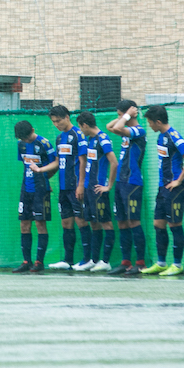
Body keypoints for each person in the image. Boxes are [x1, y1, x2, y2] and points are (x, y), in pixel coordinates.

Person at [143, 105, 184, 276]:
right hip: (162, 188)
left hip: (175, 190)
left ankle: (178, 265)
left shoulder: (174, 136)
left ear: (158, 122)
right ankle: (160, 263)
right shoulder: (161, 137)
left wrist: (178, 180)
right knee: (158, 224)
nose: (149, 126)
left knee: (174, 225)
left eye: (150, 123)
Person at [39, 106, 89, 271]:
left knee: (81, 220)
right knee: (66, 222)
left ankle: (87, 259)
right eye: (53, 122)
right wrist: (42, 172)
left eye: (58, 121)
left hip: (76, 186)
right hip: (63, 187)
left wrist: (81, 184)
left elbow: (83, 161)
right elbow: (57, 162)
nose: (56, 124)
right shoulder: (60, 138)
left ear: (67, 117)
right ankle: (68, 260)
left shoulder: (78, 135)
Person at [106, 100, 148, 275]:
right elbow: (110, 126)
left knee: (133, 221)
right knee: (122, 222)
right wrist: (124, 115)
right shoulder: (125, 131)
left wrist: (127, 115)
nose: (118, 118)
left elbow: (116, 128)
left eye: (120, 114)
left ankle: (140, 262)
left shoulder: (138, 130)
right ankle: (125, 262)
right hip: (121, 181)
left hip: (132, 181)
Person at [76, 112, 119, 273]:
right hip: (88, 188)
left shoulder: (103, 138)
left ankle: (106, 261)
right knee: (93, 222)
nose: (81, 130)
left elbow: (114, 163)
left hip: (98, 189)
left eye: (80, 127)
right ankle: (94, 260)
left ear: (85, 125)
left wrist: (108, 185)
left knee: (106, 223)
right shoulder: (90, 140)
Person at [13, 120, 55, 273]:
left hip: (40, 189)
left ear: (32, 129)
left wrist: (43, 175)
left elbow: (56, 163)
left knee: (39, 224)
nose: (26, 140)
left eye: (27, 137)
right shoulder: (21, 144)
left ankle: (39, 262)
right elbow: (25, 165)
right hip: (26, 189)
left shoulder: (44, 143)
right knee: (24, 224)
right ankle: (26, 261)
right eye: (23, 138)